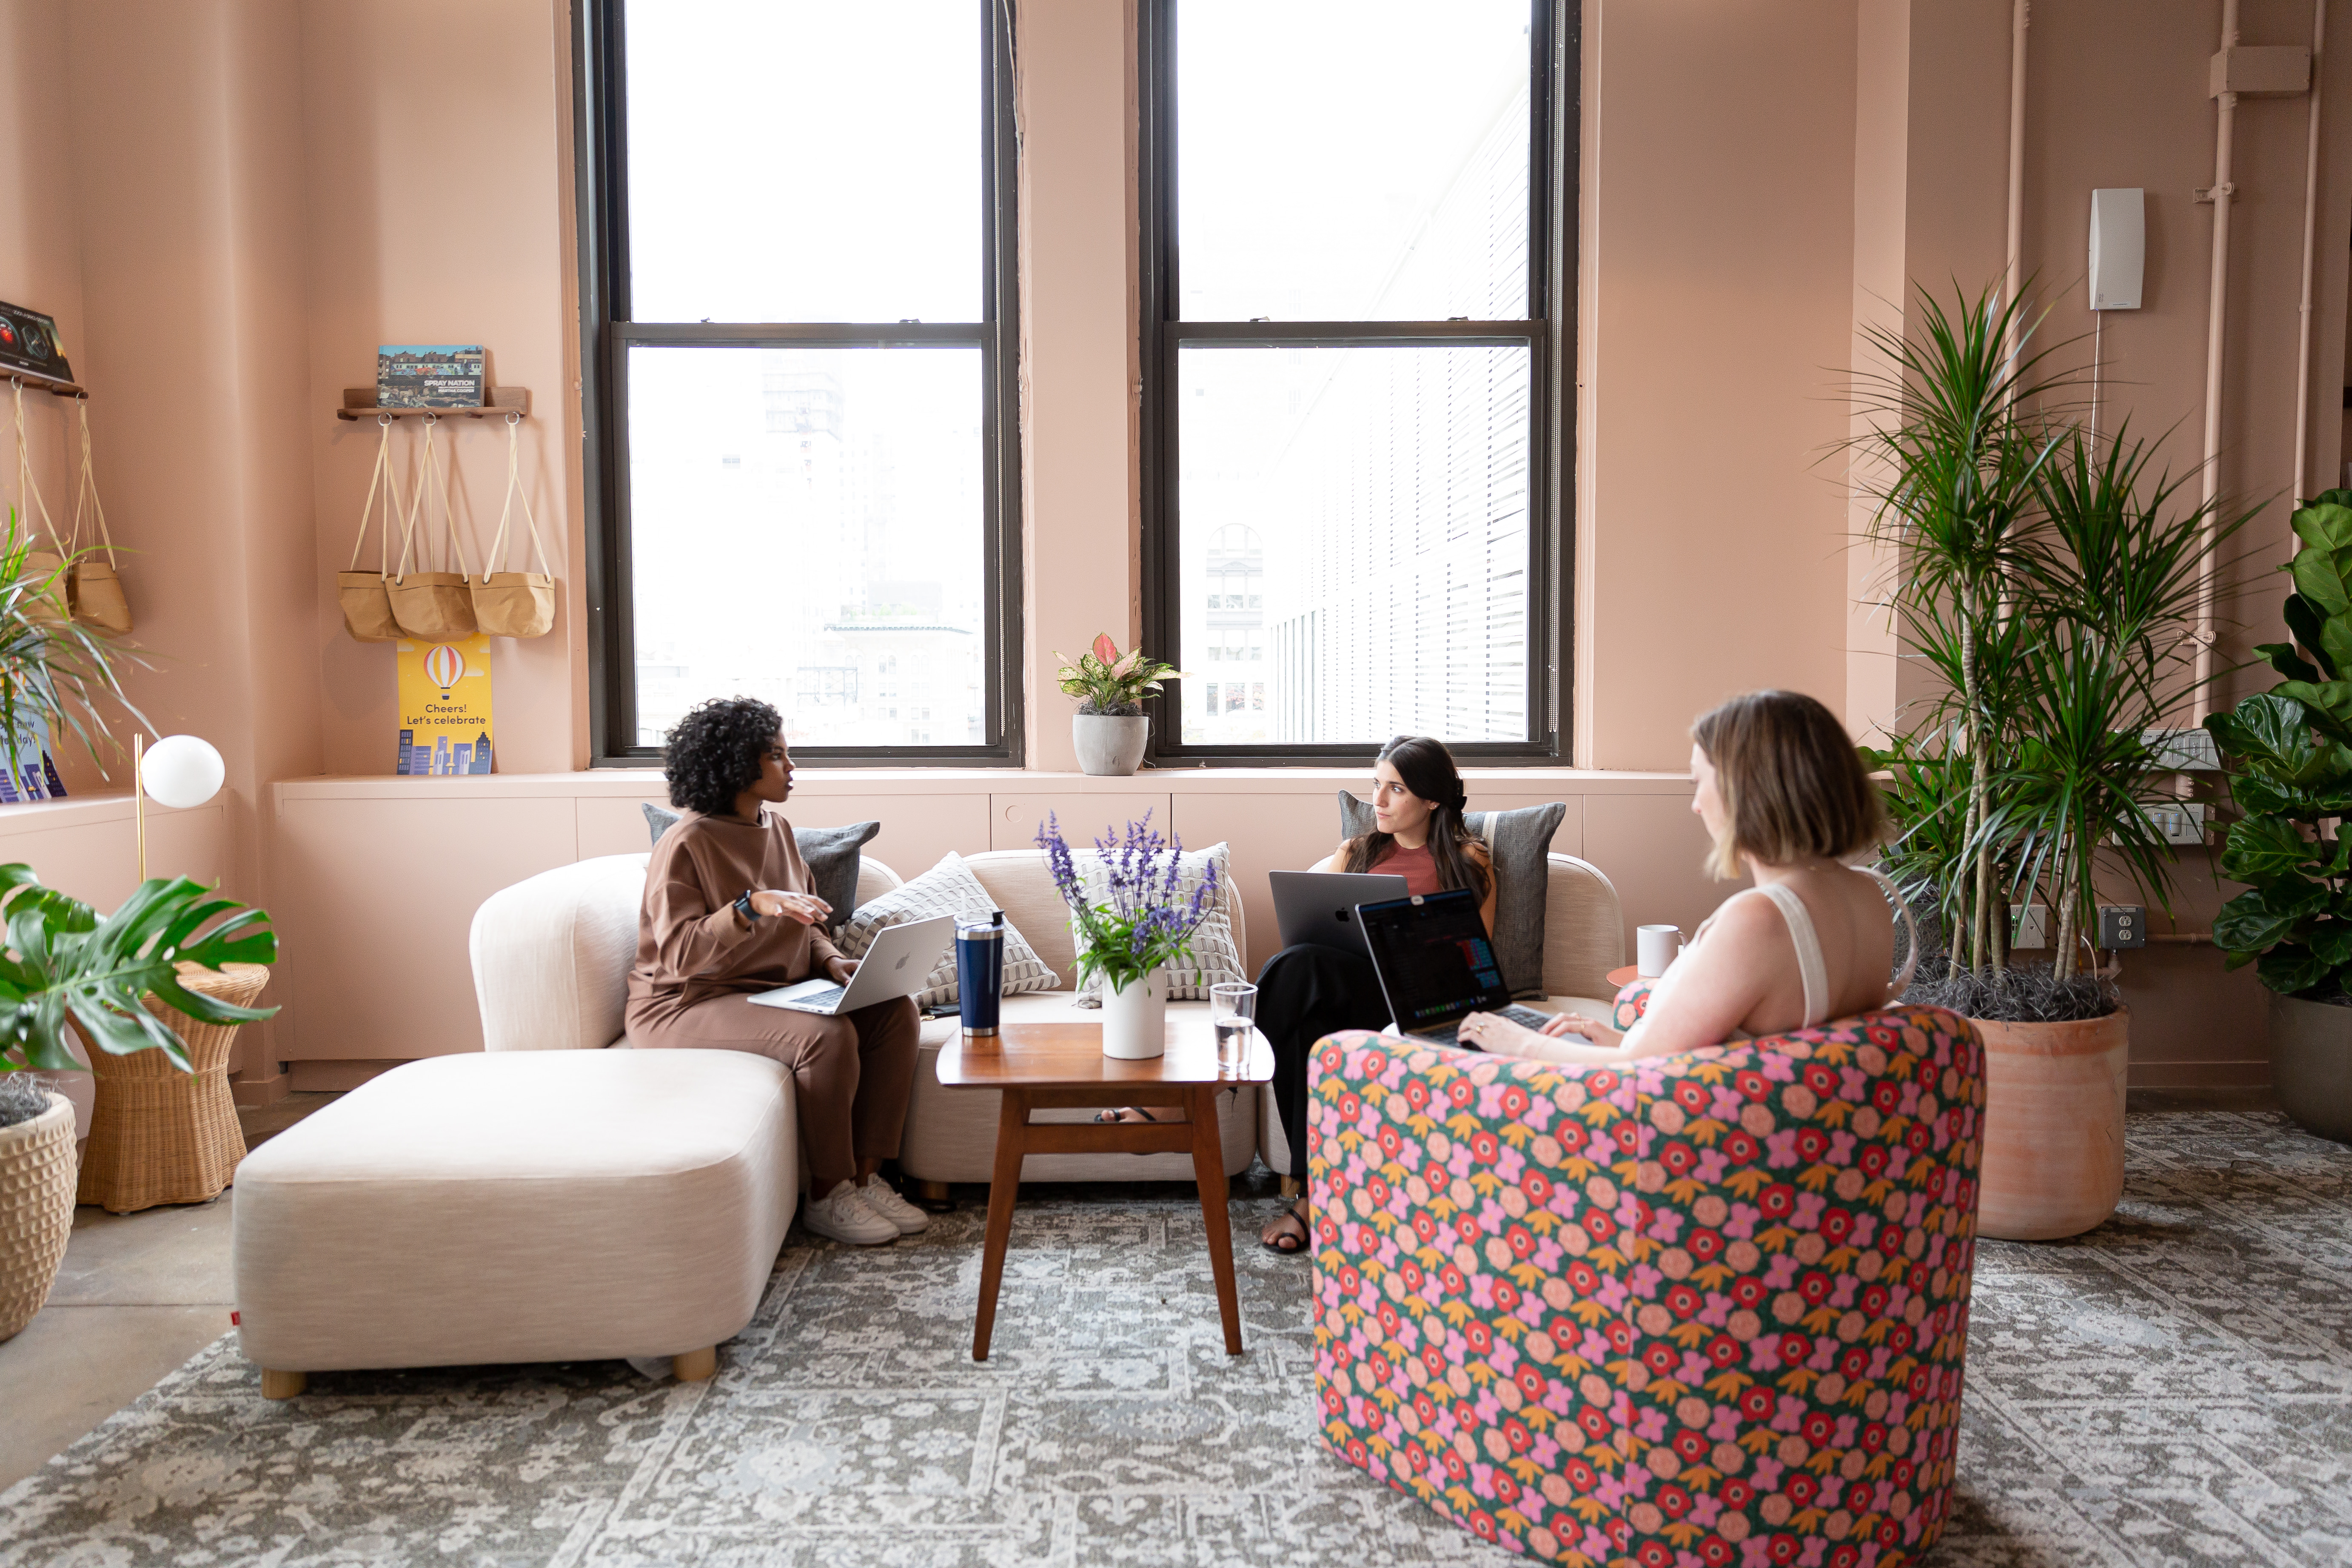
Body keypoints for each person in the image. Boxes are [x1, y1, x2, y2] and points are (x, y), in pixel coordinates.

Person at [1458, 689, 1912, 1063]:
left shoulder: (1760, 919)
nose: (1696, 805)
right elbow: (1753, 1050)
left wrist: (1516, 1040)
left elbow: (1645, 1071)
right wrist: (1620, 1041)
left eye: (1699, 782)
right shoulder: (1870, 893)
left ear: (1747, 790)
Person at [624, 696, 927, 1247]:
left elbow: (807, 918)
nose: (792, 769)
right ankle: (827, 1193)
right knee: (826, 1037)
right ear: (736, 764)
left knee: (894, 1011)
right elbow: (679, 954)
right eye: (777, 756)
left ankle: (866, 1177)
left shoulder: (779, 829)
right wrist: (748, 906)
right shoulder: (686, 844)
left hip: (773, 994)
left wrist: (833, 960)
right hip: (684, 1004)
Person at [1246, 736, 1494, 1255]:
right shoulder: (1354, 853)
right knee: (1305, 997)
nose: (1378, 800)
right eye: (1376, 784)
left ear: (1430, 799)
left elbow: (1478, 961)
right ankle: (1315, 1198)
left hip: (1415, 1004)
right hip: (1349, 993)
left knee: (1301, 971)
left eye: (1395, 788)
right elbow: (1311, 931)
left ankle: (1217, 1074)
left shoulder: (1469, 861)